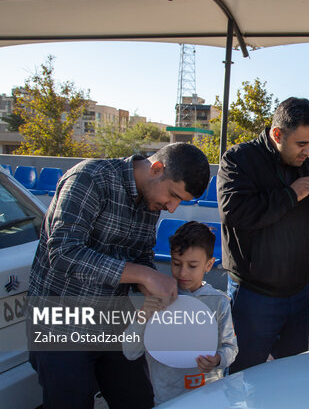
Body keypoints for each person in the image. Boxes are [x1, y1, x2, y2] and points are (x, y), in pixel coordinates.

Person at [27, 143, 211, 409]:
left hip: (112, 323)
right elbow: (64, 252)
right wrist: (144, 275)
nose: (171, 208)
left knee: (138, 400)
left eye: (179, 201)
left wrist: (152, 288)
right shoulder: (90, 178)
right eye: (172, 195)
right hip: (60, 324)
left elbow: (140, 254)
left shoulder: (153, 201)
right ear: (155, 169)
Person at [217, 97, 309, 373]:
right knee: (242, 374)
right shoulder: (238, 159)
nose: (308, 151)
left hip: (298, 292)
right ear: (277, 134)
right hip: (254, 295)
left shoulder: (305, 164)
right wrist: (291, 194)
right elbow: (235, 213)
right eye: (301, 144)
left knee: (293, 374)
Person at [123, 221, 238, 405]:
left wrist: (217, 359)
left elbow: (231, 348)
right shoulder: (157, 298)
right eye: (176, 263)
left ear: (208, 265)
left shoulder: (219, 302)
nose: (183, 272)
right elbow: (130, 352)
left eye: (192, 265)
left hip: (209, 397)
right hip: (166, 399)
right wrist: (144, 315)